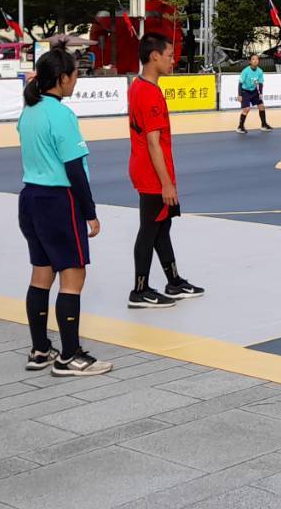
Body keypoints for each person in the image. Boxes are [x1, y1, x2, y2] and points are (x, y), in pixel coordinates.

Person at [16, 46, 112, 376]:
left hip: (30, 198)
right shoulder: (61, 115)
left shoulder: (28, 111)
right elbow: (74, 168)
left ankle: (40, 349)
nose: (76, 80)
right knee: (73, 276)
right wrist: (90, 212)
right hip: (59, 201)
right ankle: (70, 356)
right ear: (62, 78)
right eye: (74, 74)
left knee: (41, 275)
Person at [128, 32, 205, 308]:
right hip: (152, 174)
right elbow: (153, 142)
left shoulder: (138, 85)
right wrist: (166, 183)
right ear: (154, 56)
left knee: (161, 226)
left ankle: (173, 282)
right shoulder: (149, 93)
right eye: (170, 56)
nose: (174, 61)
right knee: (149, 229)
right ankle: (139, 290)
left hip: (148, 169)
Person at [236, 54, 272, 134]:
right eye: (253, 59)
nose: (255, 60)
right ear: (250, 61)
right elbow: (240, 83)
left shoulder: (260, 71)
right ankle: (240, 127)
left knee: (261, 106)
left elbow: (260, 83)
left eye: (257, 59)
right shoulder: (246, 71)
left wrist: (260, 93)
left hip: (254, 91)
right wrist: (239, 95)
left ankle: (264, 125)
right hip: (245, 91)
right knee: (246, 109)